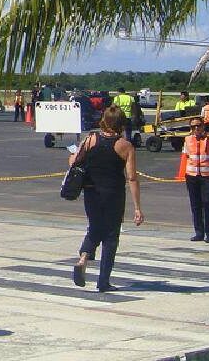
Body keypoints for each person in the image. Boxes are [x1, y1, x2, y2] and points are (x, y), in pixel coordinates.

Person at [70, 105, 144, 293]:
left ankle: (84, 257)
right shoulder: (125, 146)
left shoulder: (90, 139)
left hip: (91, 191)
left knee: (94, 227)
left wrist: (72, 156)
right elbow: (132, 177)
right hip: (113, 193)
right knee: (111, 235)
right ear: (121, 123)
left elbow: (74, 161)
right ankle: (103, 281)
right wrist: (137, 208)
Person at [182, 117, 209, 243]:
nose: (196, 128)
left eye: (198, 125)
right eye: (193, 126)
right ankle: (199, 232)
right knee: (195, 205)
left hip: (207, 176)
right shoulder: (187, 139)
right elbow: (186, 155)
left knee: (206, 203)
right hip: (192, 176)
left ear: (203, 126)